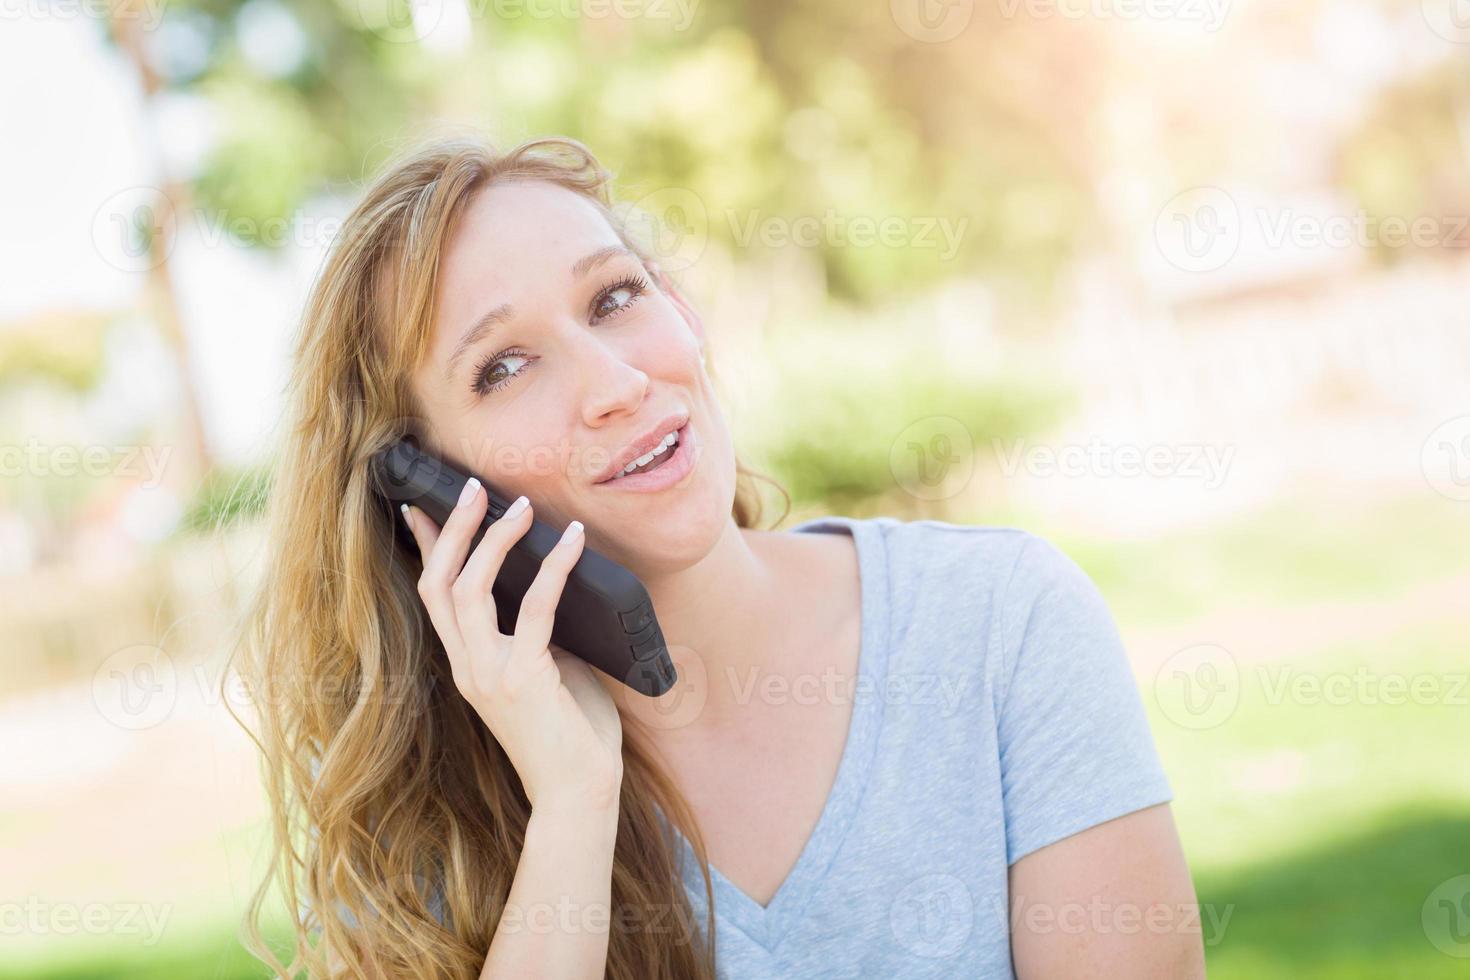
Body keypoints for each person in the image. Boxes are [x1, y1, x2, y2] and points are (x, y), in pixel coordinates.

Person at [229, 131, 1206, 979]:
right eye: (505, 365)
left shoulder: (1000, 622)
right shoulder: (441, 822)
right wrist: (573, 801)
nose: (614, 380)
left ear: (682, 314)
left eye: (613, 297)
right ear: (428, 492)